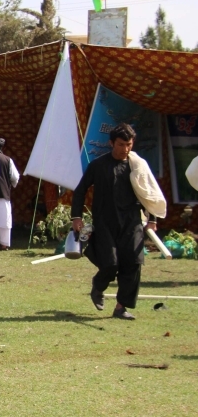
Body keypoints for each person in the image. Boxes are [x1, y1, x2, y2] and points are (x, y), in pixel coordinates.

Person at [71, 123, 165, 320]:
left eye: (129, 144)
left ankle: (121, 307)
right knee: (110, 263)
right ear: (112, 143)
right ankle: (98, 286)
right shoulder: (98, 165)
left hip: (132, 222)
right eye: (121, 144)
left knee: (133, 263)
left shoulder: (138, 166)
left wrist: (153, 219)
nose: (126, 149)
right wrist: (77, 217)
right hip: (105, 222)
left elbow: (149, 194)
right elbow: (80, 190)